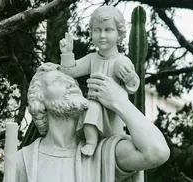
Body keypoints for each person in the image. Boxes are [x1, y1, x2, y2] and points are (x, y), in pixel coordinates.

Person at [15, 62, 170, 182]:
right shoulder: (23, 161)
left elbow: (157, 152)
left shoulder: (103, 154)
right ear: (40, 100)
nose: (70, 83)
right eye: (57, 81)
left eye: (72, 81)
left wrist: (120, 102)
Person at [60, 6, 140, 156]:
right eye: (97, 30)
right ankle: (91, 141)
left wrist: (130, 79)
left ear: (119, 33)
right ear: (91, 33)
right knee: (91, 107)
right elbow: (70, 71)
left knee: (110, 142)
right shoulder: (92, 58)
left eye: (108, 30)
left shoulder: (122, 61)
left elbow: (132, 87)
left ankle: (97, 143)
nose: (102, 35)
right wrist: (67, 54)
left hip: (113, 112)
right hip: (93, 104)